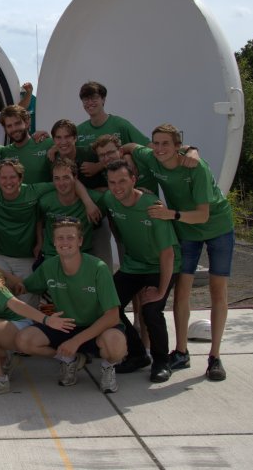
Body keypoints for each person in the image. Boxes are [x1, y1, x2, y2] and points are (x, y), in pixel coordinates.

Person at [124, 124, 234, 381]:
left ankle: (214, 356)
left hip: (216, 226)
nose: (160, 148)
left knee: (218, 290)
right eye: (156, 143)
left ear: (177, 146)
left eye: (166, 144)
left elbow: (203, 214)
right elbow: (131, 147)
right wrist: (125, 156)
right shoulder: (151, 156)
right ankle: (181, 351)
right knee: (182, 289)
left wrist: (170, 214)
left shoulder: (196, 168)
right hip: (187, 229)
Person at [16, 219, 127, 393]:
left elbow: (112, 316)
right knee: (24, 341)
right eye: (60, 238)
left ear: (80, 241)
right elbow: (23, 286)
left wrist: (76, 341)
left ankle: (107, 367)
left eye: (70, 237)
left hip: (96, 328)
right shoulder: (49, 266)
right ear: (53, 242)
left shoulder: (98, 268)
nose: (65, 242)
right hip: (66, 326)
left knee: (116, 346)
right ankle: (69, 360)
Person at [0, 238, 75, 398]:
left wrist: (46, 320)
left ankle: (0, 380)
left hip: (16, 325)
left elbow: (16, 304)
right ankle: (4, 359)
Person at [0, 159, 99, 307]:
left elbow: (68, 182)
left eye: (12, 177)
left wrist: (88, 203)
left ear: (20, 179)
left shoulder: (34, 191)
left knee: (29, 304)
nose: (8, 182)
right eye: (4, 178)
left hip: (27, 258)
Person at [104, 160, 180, 383]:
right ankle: (137, 354)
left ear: (133, 180)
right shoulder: (110, 199)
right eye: (112, 182)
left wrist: (160, 291)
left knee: (151, 310)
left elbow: (168, 254)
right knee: (107, 304)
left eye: (122, 181)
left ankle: (161, 361)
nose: (117, 187)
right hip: (134, 265)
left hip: (161, 266)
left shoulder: (151, 206)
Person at [36, 158, 104, 264]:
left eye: (66, 177)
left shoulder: (93, 200)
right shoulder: (45, 202)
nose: (61, 183)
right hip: (52, 256)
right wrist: (39, 242)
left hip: (81, 257)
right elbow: (38, 220)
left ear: (75, 178)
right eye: (57, 178)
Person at [0, 104, 52, 183]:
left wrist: (57, 146)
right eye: (9, 126)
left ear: (27, 123)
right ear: (5, 129)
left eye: (17, 123)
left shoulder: (46, 143)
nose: (14, 129)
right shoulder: (4, 152)